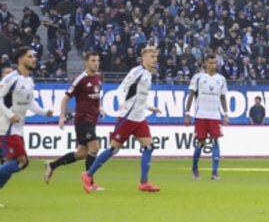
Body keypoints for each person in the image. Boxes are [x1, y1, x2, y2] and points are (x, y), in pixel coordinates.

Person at [84, 44, 162, 193]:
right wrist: (121, 103)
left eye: (156, 57)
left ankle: (143, 182)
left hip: (140, 118)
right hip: (127, 117)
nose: (154, 59)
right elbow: (122, 89)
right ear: (144, 58)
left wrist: (150, 107)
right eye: (152, 57)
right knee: (113, 149)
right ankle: (88, 175)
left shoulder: (149, 74)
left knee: (149, 147)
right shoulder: (137, 72)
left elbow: (139, 97)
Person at [0, 47, 52, 201]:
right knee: (23, 161)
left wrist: (44, 112)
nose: (34, 59)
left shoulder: (29, 81)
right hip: (7, 127)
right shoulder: (10, 79)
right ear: (20, 60)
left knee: (9, 164)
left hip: (18, 128)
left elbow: (30, 103)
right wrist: (10, 115)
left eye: (34, 56)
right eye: (30, 56)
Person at [44, 51, 104, 183]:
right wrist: (62, 116)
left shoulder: (99, 77)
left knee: (81, 153)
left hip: (92, 119)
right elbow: (65, 98)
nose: (96, 63)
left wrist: (100, 107)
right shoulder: (80, 79)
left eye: (98, 60)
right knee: (94, 148)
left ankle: (52, 165)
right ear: (86, 62)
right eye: (93, 60)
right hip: (83, 120)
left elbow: (99, 93)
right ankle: (90, 182)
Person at [184, 52, 229, 181]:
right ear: (205, 63)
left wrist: (226, 114)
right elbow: (191, 95)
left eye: (215, 63)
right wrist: (187, 113)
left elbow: (223, 97)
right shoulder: (198, 77)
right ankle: (195, 169)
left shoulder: (221, 79)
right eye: (211, 63)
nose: (213, 65)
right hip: (201, 115)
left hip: (215, 116)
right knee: (200, 142)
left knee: (216, 141)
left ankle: (215, 173)